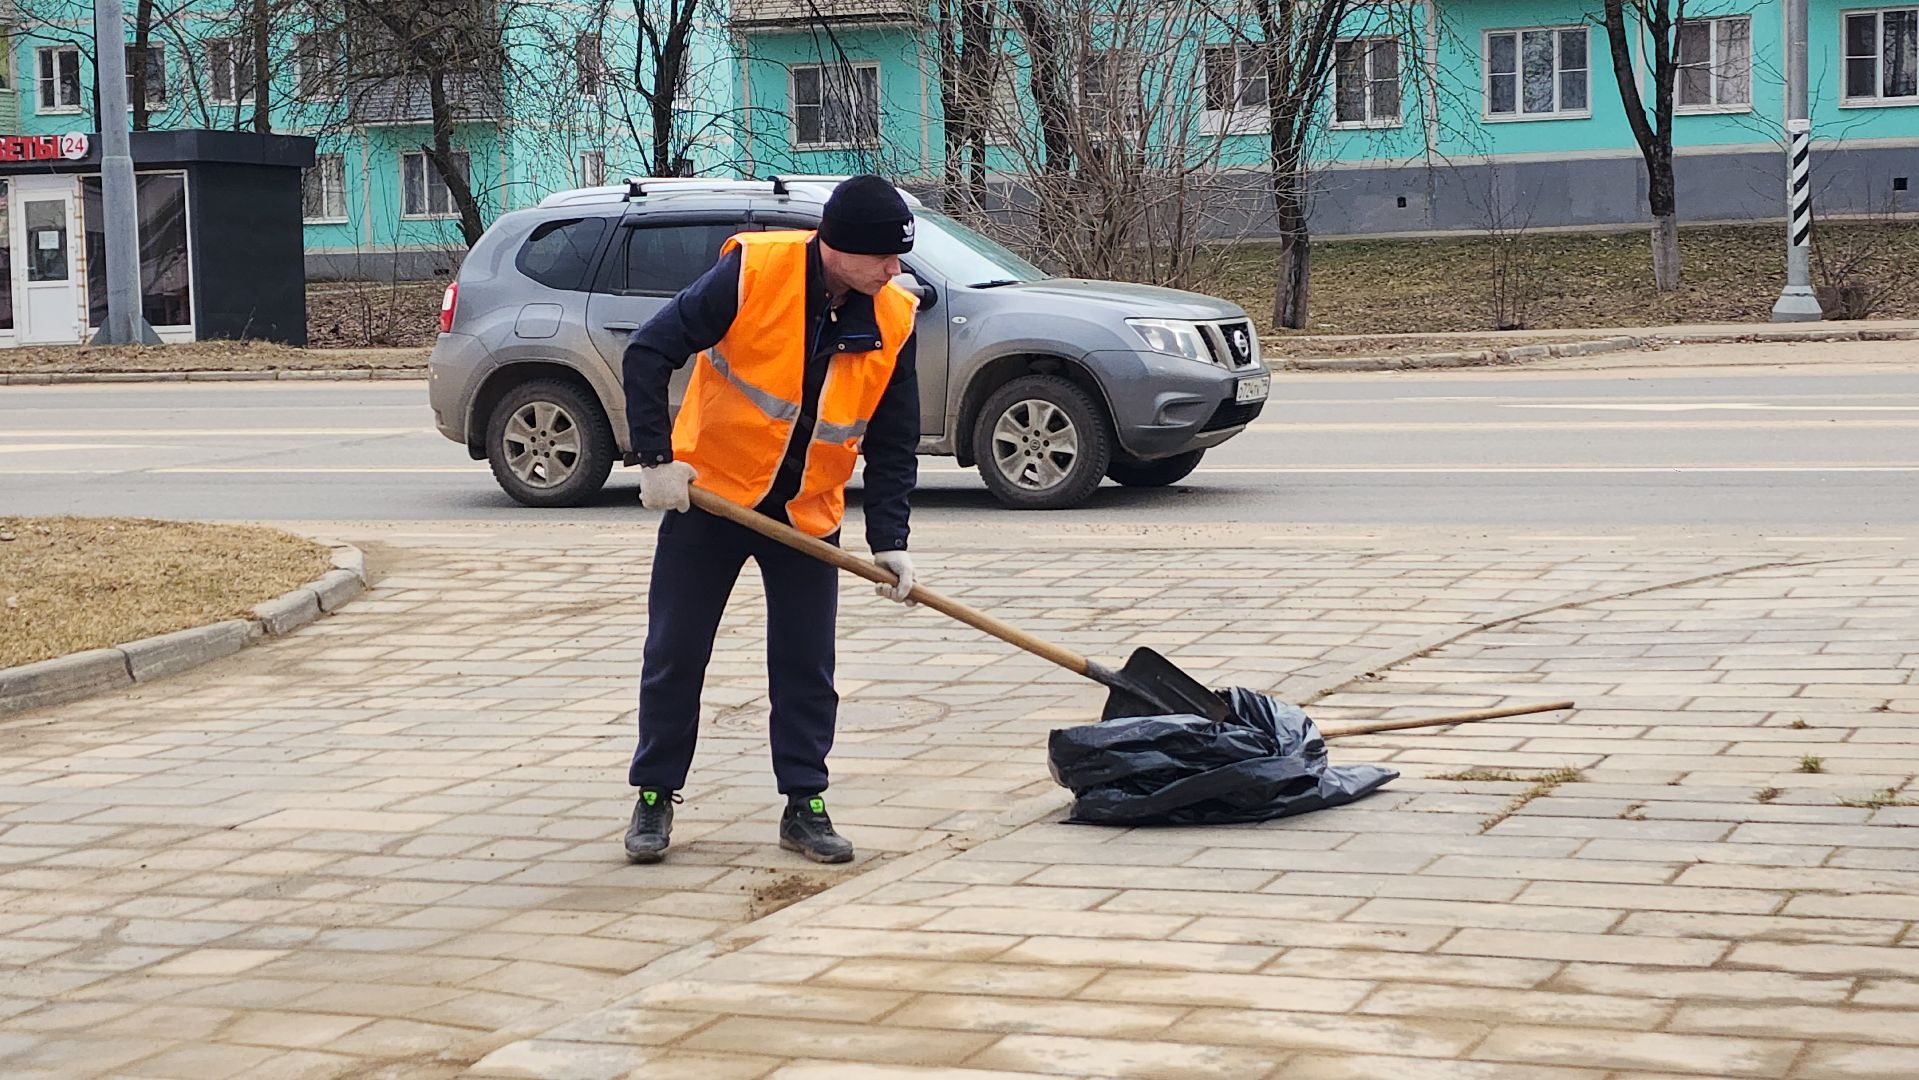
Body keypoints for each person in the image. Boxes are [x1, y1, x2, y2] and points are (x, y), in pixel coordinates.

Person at [618, 175, 922, 865]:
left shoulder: (893, 315)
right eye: (884, 257)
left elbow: (894, 438)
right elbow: (648, 350)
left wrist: (891, 542)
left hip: (807, 513)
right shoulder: (753, 272)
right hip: (714, 499)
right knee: (674, 653)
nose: (894, 270)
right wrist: (656, 459)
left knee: (806, 665)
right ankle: (654, 796)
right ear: (839, 249)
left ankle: (804, 803)